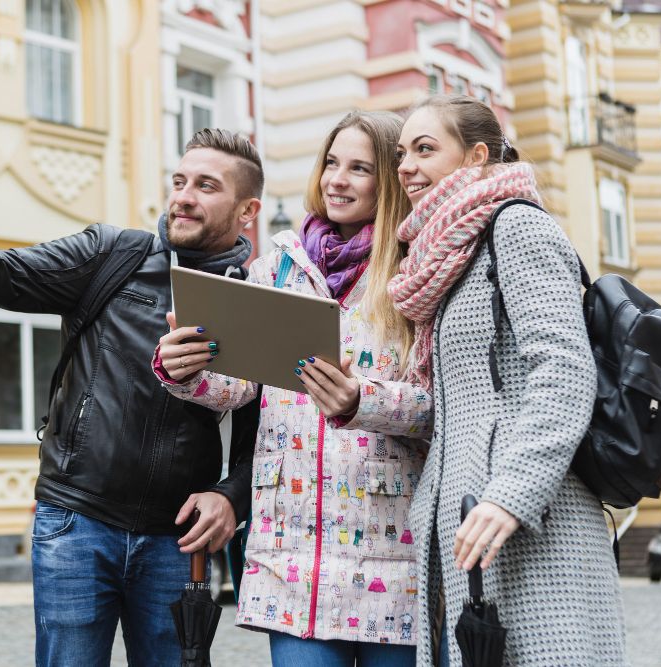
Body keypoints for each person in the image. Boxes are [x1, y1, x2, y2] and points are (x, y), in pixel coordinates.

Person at [0, 128, 264, 667]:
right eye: (179, 180)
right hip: (76, 524)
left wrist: (230, 496)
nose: (183, 195)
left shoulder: (257, 298)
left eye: (206, 186)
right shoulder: (111, 254)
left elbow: (267, 435)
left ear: (248, 211)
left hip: (177, 544)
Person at [154, 111, 433, 666]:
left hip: (391, 547)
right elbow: (238, 388)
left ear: (389, 180)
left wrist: (363, 401)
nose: (337, 179)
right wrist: (188, 371)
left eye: (359, 168)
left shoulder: (417, 270)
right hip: (293, 548)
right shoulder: (278, 266)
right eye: (331, 163)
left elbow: (442, 405)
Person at [389, 94, 627, 666]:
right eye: (401, 153)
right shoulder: (446, 254)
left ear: (474, 157)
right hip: (464, 528)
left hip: (533, 521)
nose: (406, 167)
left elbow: (564, 369)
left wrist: (510, 495)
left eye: (425, 149)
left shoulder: (516, 226)